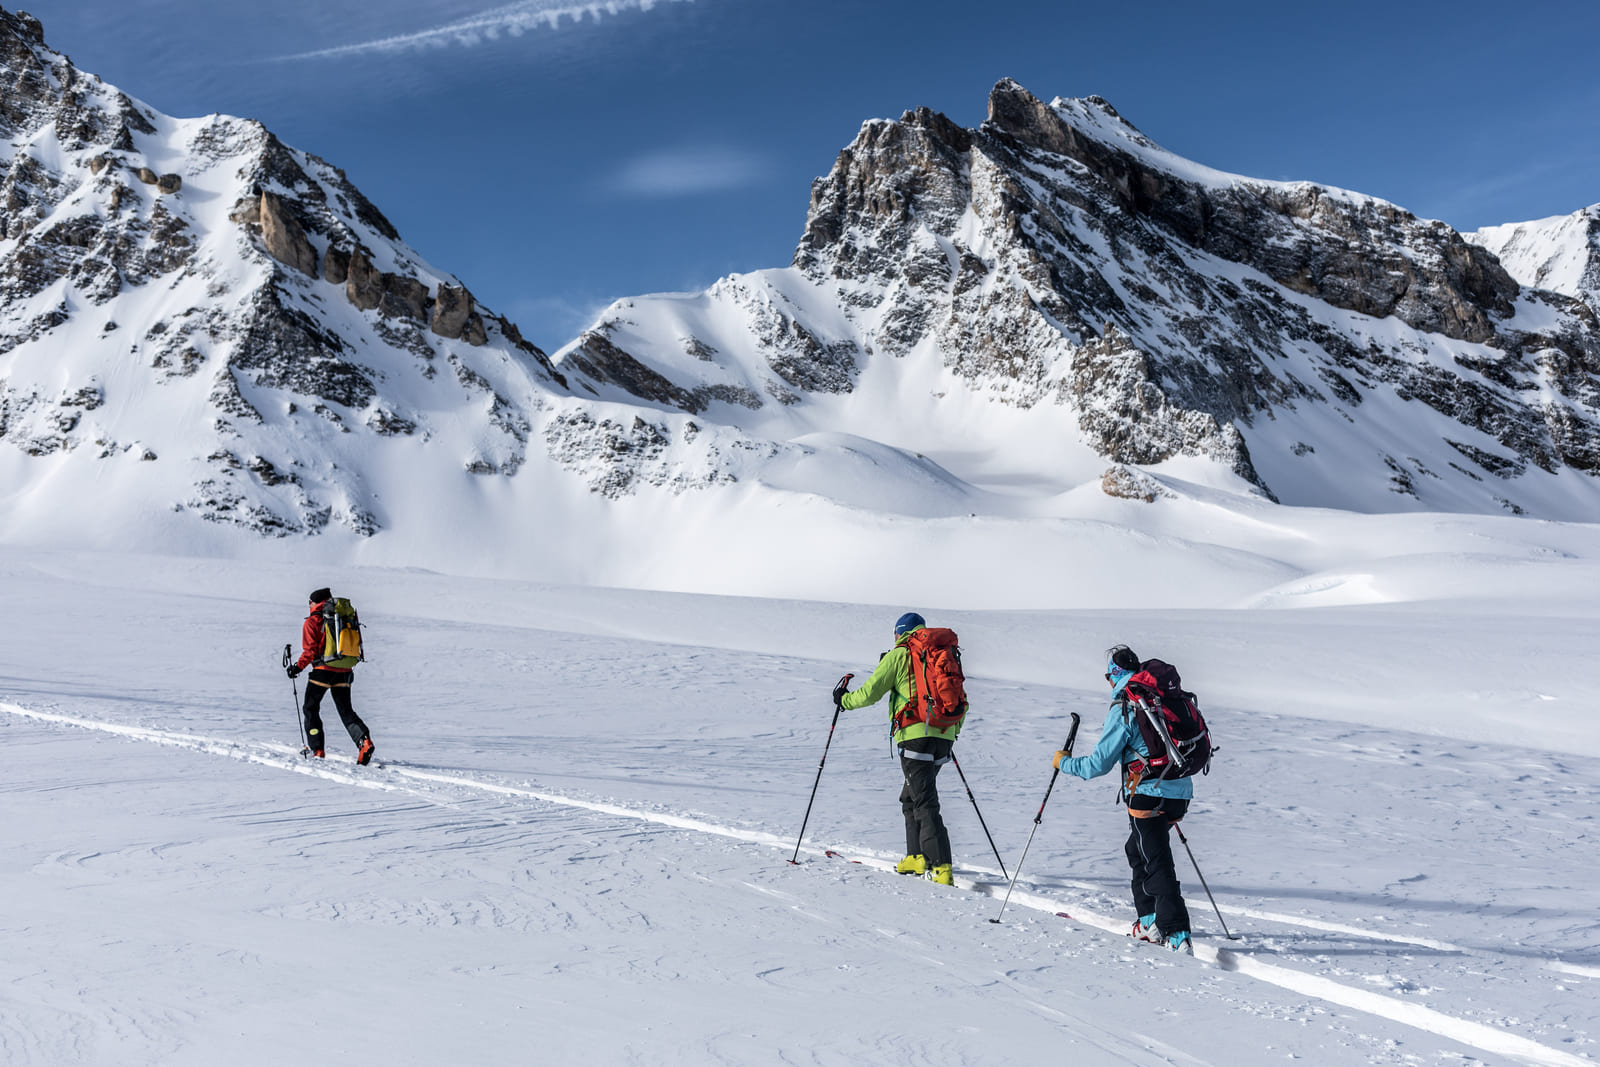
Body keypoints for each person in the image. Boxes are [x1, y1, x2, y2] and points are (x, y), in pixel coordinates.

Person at [1055, 644, 1193, 953]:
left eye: (1108, 676)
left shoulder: (1126, 706)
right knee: (1138, 849)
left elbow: (1097, 765)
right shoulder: (1159, 699)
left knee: (1156, 861)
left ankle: (1176, 932)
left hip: (1148, 793)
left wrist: (1063, 762)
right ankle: (1150, 920)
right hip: (1179, 790)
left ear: (1115, 676)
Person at [833, 612, 964, 886]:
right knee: (911, 797)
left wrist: (844, 701)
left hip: (914, 735)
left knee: (925, 800)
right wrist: (950, 733)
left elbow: (870, 693)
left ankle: (940, 866)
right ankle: (916, 856)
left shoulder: (901, 654)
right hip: (944, 734)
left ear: (898, 633)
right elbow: (960, 699)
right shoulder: (945, 654)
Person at [287, 588, 375, 765]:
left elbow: (310, 651)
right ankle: (364, 742)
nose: (309, 605)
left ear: (314, 603)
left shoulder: (313, 621)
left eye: (309, 602)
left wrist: (297, 668)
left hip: (323, 671)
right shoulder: (342, 618)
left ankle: (317, 750)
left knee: (310, 708)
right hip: (344, 671)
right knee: (346, 711)